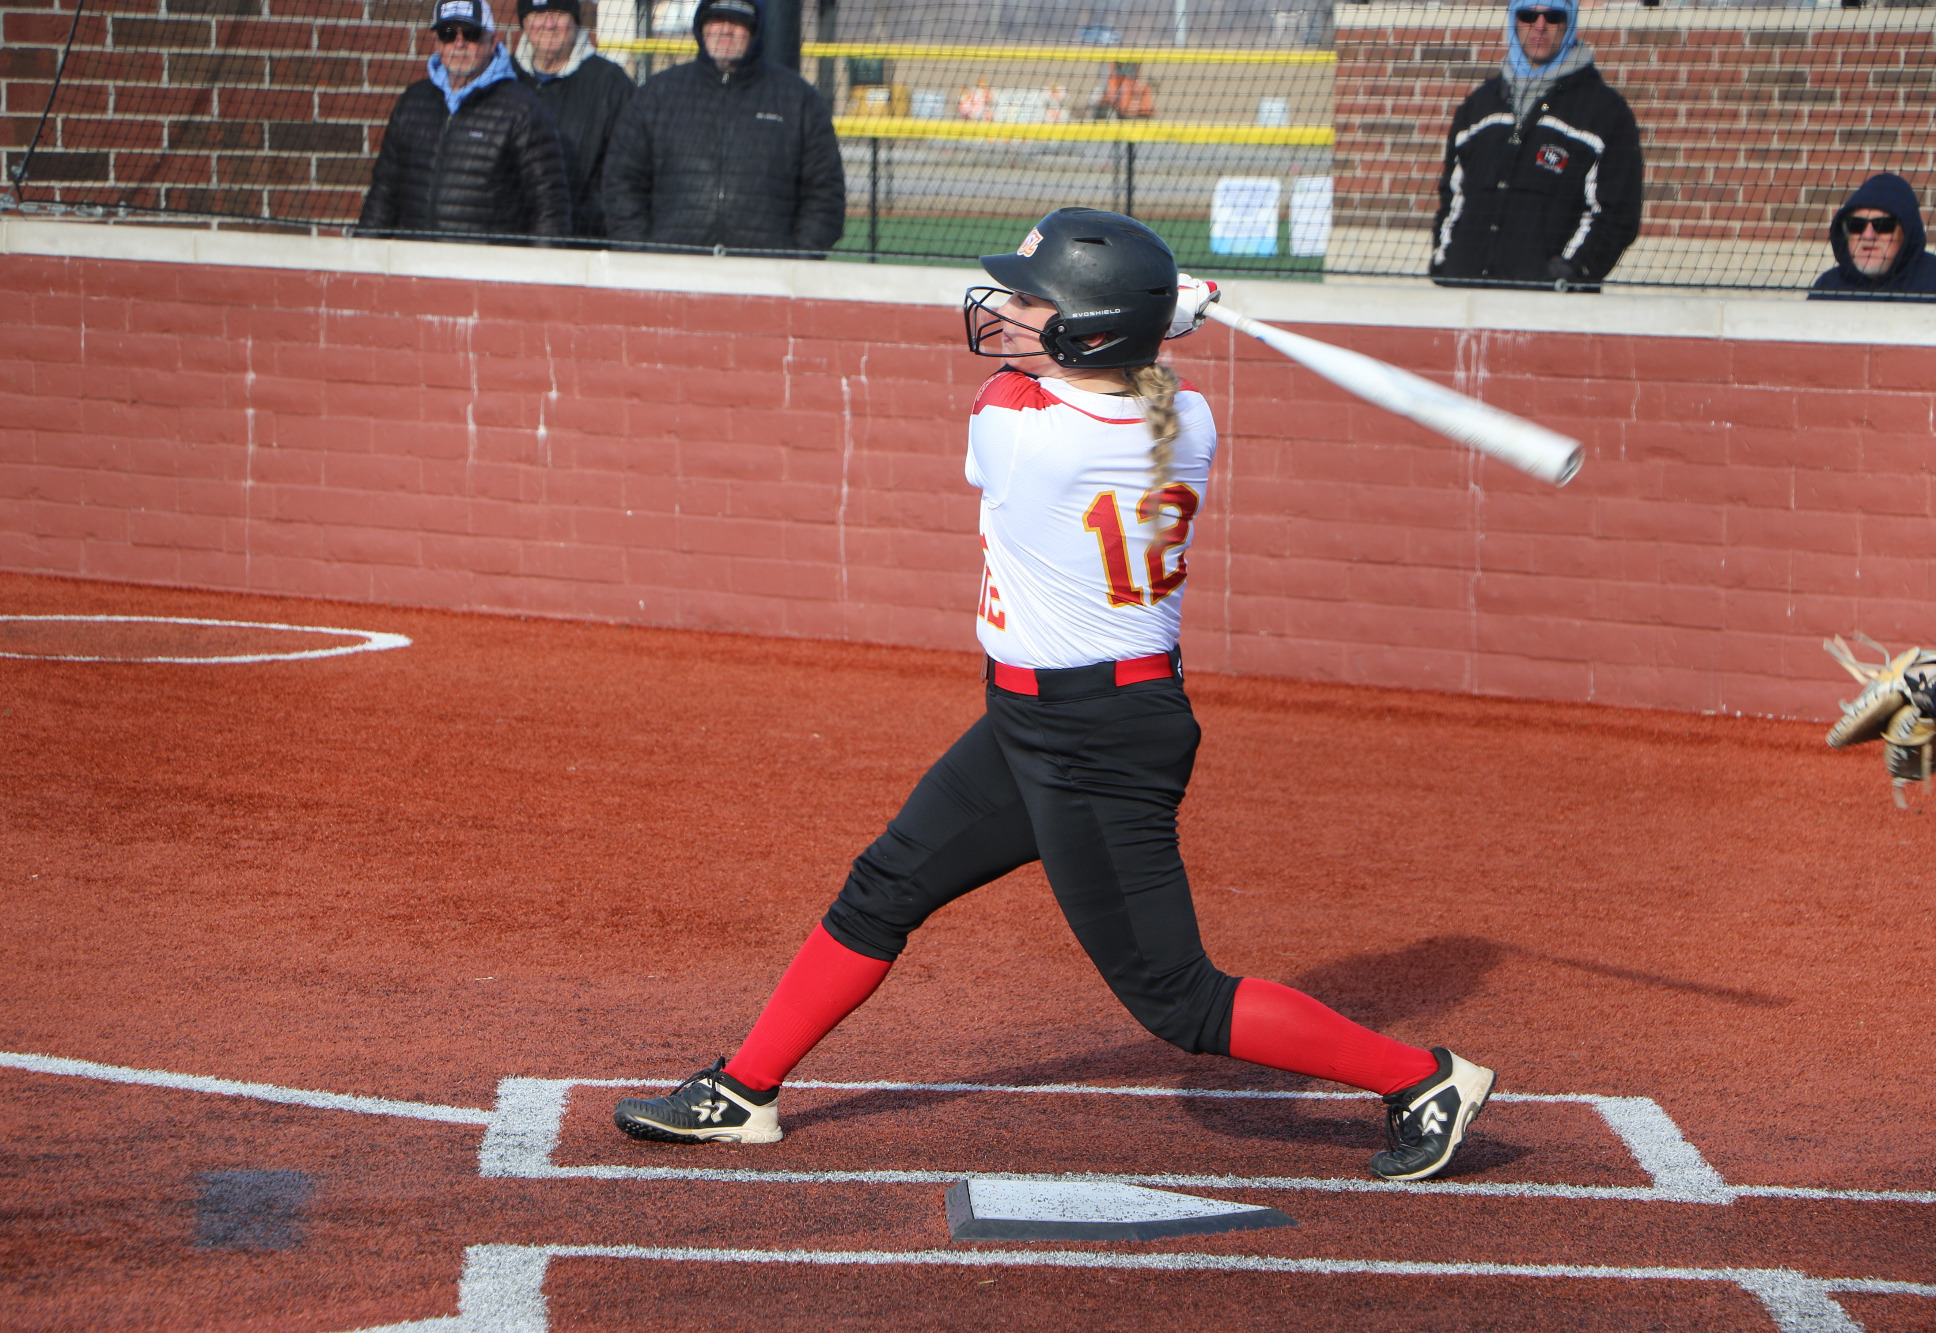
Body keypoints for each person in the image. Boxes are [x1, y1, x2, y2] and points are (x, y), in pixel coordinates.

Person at [612, 207, 1499, 1185]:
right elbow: (1138, 379)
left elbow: (1023, 386)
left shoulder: (1022, 432)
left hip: (1095, 743)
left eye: (1033, 302)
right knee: (885, 886)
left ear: (1090, 332)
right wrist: (1156, 320)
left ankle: (1421, 1079)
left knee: (1177, 998)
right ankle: (744, 1089)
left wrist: (1165, 314)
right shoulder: (1181, 419)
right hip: (1034, 719)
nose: (1008, 310)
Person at [600, 0, 845, 255]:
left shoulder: (799, 100)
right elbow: (621, 182)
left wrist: (796, 259)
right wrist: (641, 252)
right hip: (672, 273)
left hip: (766, 277)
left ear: (754, 30)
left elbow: (825, 193)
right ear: (701, 27)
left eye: (737, 22)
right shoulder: (656, 95)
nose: (725, 30)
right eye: (716, 19)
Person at [1430, 0, 1642, 291]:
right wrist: (1445, 261)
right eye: (1528, 15)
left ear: (1569, 23)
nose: (1539, 26)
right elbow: (1453, 195)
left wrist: (1569, 272)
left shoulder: (1605, 112)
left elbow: (1616, 214)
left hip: (1550, 307)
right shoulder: (1477, 107)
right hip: (1464, 294)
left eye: (1553, 16)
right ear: (1514, 20)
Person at [357, 0, 570, 244]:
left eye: (471, 34)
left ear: (492, 42)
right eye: (447, 34)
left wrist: (538, 276)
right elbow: (383, 195)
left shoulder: (523, 109)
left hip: (486, 273)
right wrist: (361, 259)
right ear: (436, 43)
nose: (459, 43)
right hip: (417, 268)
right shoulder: (412, 103)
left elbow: (550, 208)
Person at [511, 0, 635, 243]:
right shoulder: (504, 78)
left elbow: (628, 174)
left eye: (558, 13)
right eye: (539, 13)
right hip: (510, 246)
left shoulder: (610, 83)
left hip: (584, 245)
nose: (549, 24)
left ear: (575, 20)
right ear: (524, 22)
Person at [1809, 172, 1936, 301]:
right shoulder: (1828, 288)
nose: (1868, 236)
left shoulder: (1931, 284)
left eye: (1883, 225)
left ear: (1907, 233)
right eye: (1856, 225)